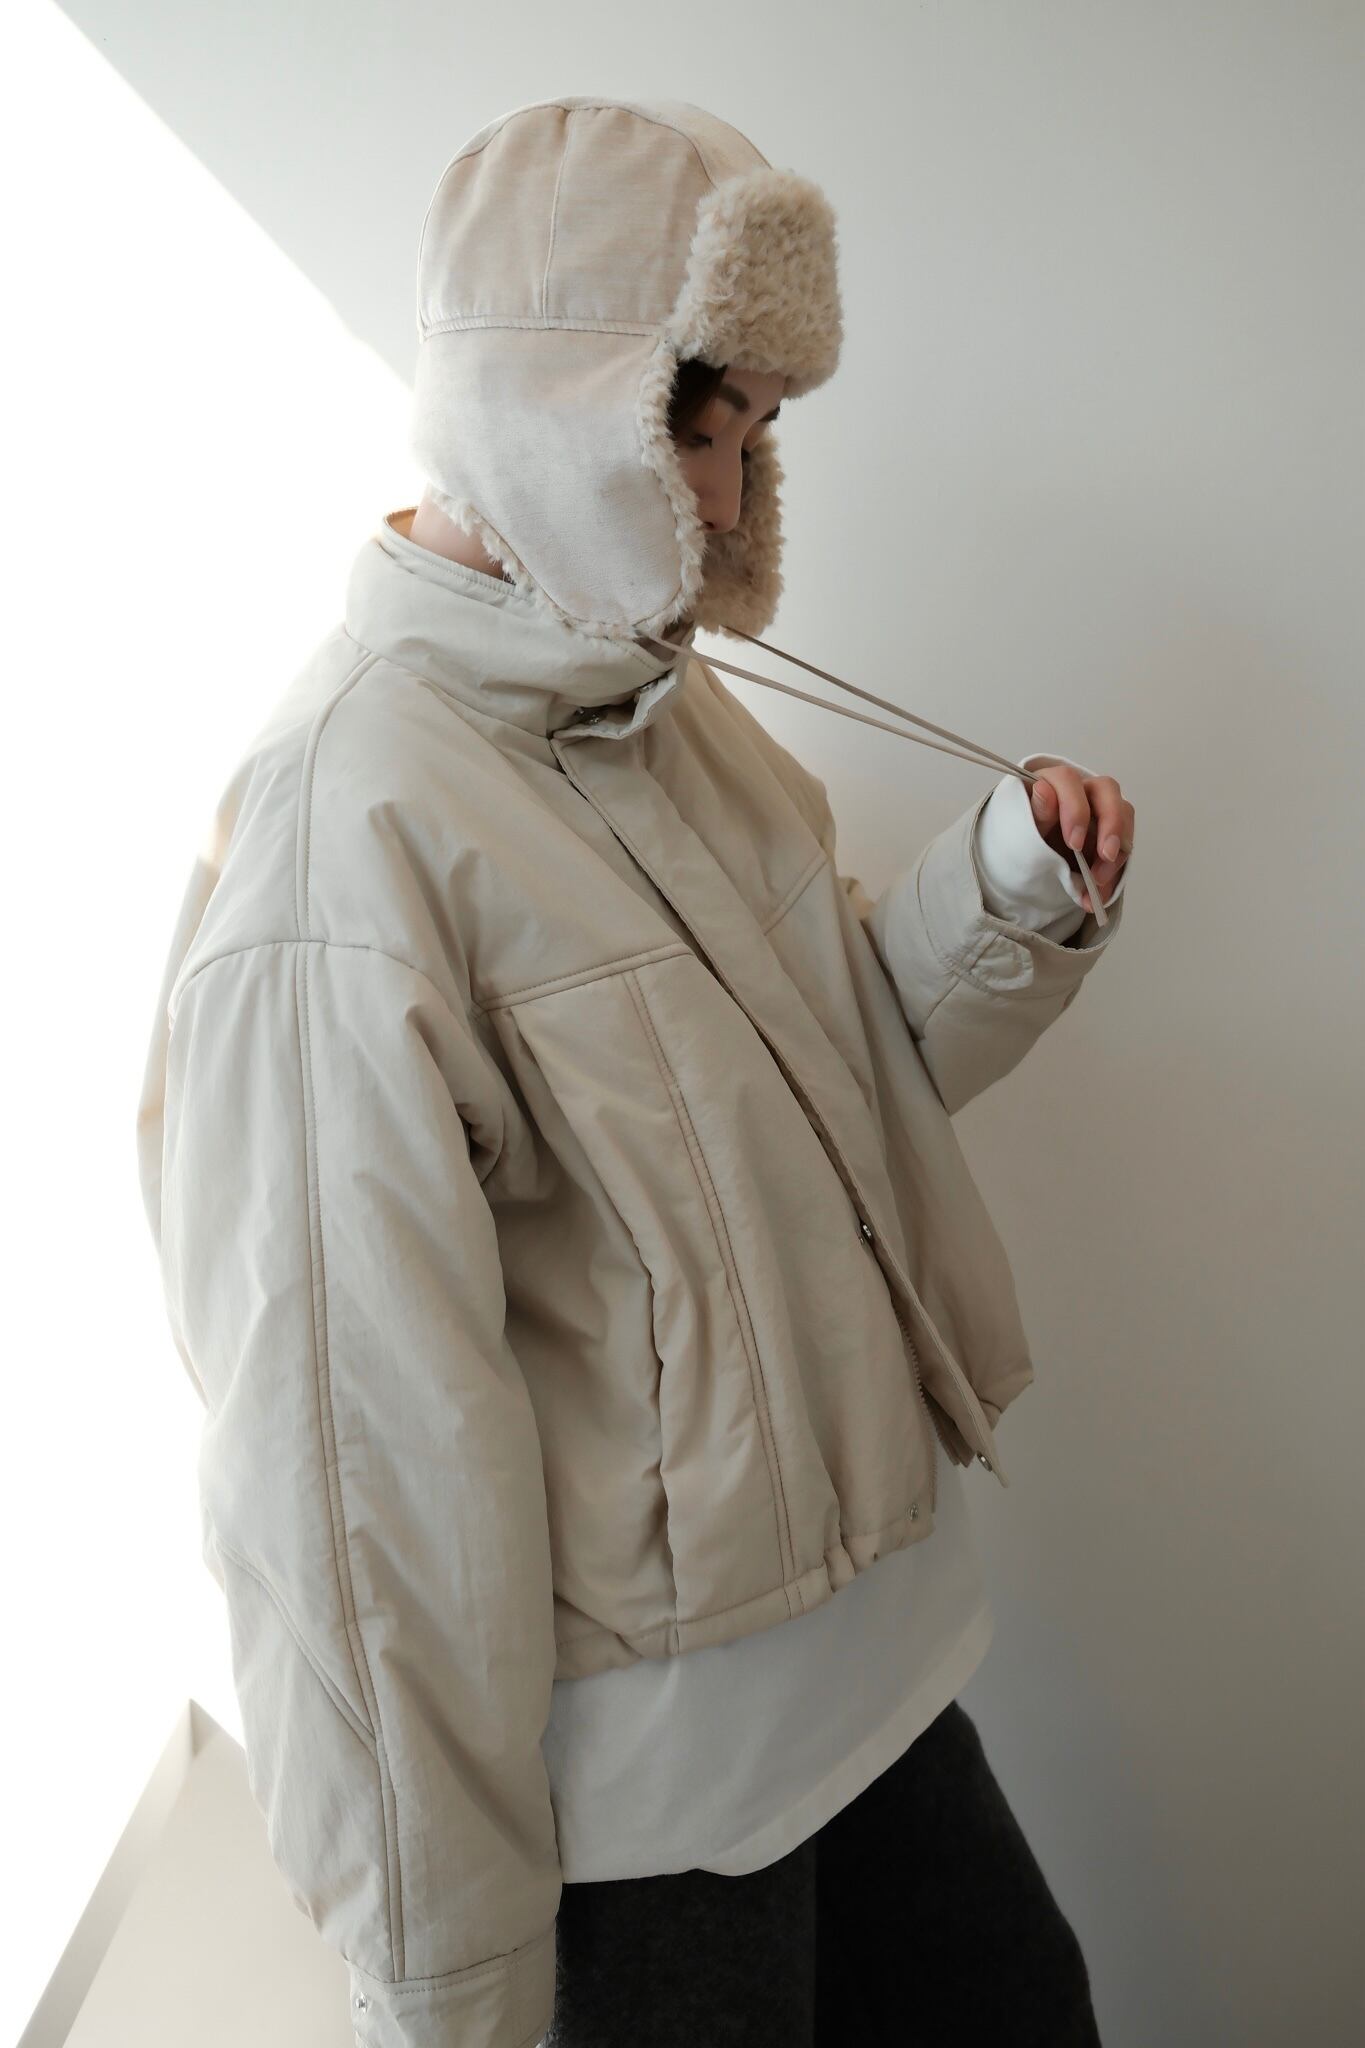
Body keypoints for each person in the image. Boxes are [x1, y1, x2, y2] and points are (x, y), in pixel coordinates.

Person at [136, 95, 1134, 2048]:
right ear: (552, 402)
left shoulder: (665, 721)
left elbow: (823, 1108)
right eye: (700, 428)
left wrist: (1005, 896)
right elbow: (350, 1504)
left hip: (878, 1685)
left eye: (756, 434)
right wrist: (449, 1982)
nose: (734, 499)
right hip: (652, 1831)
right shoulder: (345, 845)